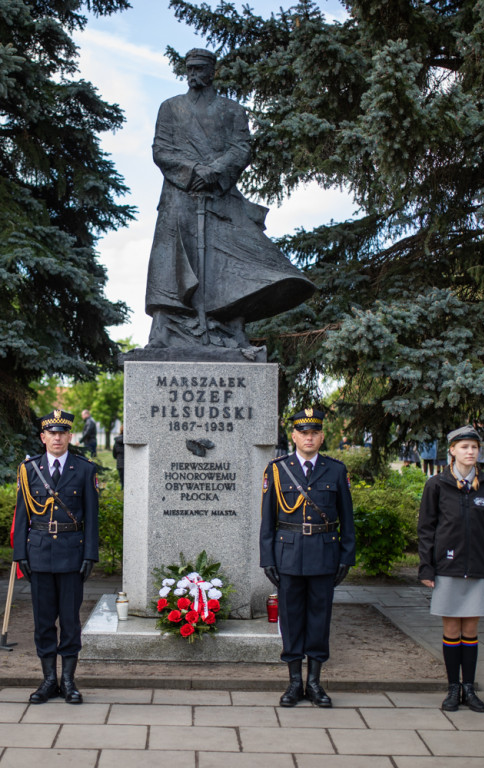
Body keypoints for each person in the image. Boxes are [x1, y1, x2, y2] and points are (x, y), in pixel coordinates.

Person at [145, 48, 314, 350]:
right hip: (179, 196)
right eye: (189, 69)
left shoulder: (232, 110)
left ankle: (230, 324)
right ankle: (164, 328)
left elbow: (241, 148)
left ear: (212, 72)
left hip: (221, 194)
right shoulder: (170, 108)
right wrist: (194, 171)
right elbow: (161, 149)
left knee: (231, 260)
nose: (193, 74)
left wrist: (215, 171)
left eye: (199, 69)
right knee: (171, 262)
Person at [260, 408, 356, 708]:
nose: (309, 437)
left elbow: (347, 519)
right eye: (303, 432)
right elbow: (268, 520)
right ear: (294, 436)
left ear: (322, 436)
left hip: (325, 555)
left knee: (319, 619)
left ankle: (314, 683)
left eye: (314, 432)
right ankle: (293, 684)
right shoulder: (276, 469)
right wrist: (268, 559)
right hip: (288, 555)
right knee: (290, 620)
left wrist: (346, 557)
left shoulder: (336, 470)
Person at [418, 424, 484, 713]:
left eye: (474, 447)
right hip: (448, 568)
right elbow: (426, 529)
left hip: (479, 569)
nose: (470, 452)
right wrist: (427, 568)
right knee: (451, 628)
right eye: (465, 447)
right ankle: (452, 689)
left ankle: (469, 688)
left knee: (470, 630)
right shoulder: (437, 485)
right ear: (452, 451)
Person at [13, 409, 99, 705]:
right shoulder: (29, 470)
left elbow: (91, 516)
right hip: (38, 553)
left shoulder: (85, 469)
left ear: (69, 436)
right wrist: (19, 553)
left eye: (62, 433)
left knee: (71, 621)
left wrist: (90, 554)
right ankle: (49, 680)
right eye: (52, 433)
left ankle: (69, 681)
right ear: (43, 437)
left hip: (71, 555)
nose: (57, 437)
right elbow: (22, 514)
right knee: (44, 620)